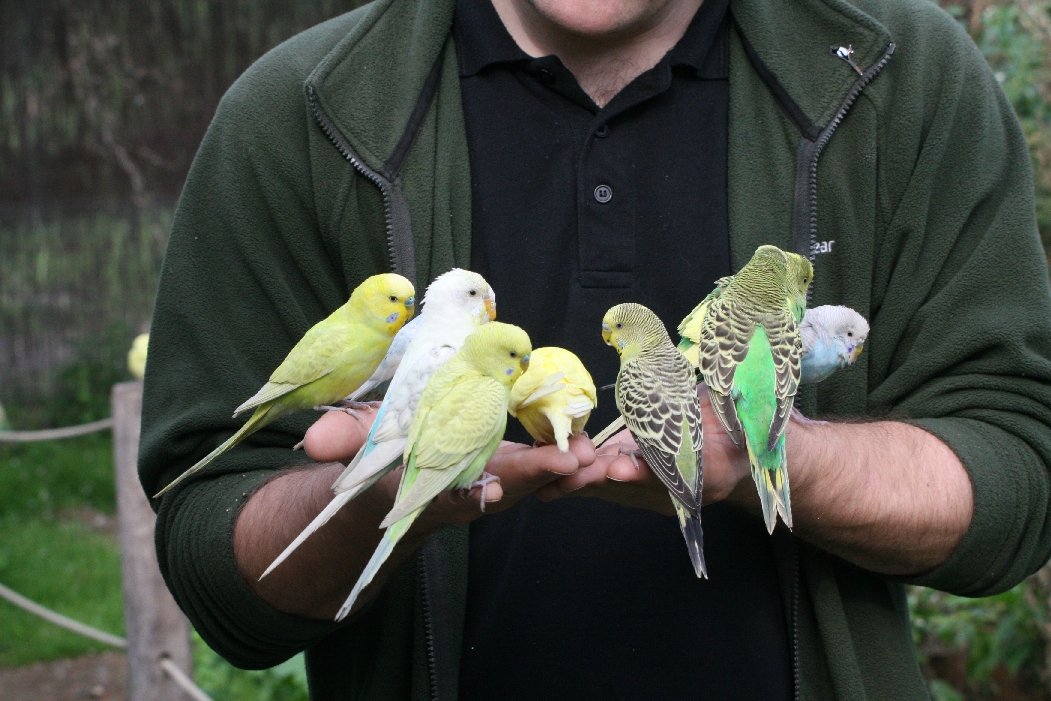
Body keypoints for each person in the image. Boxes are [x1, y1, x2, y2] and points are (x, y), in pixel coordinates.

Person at [139, 0, 1051, 698]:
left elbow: (1017, 469)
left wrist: (763, 451)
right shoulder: (296, 113)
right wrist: (382, 490)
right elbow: (212, 564)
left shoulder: (901, 74)